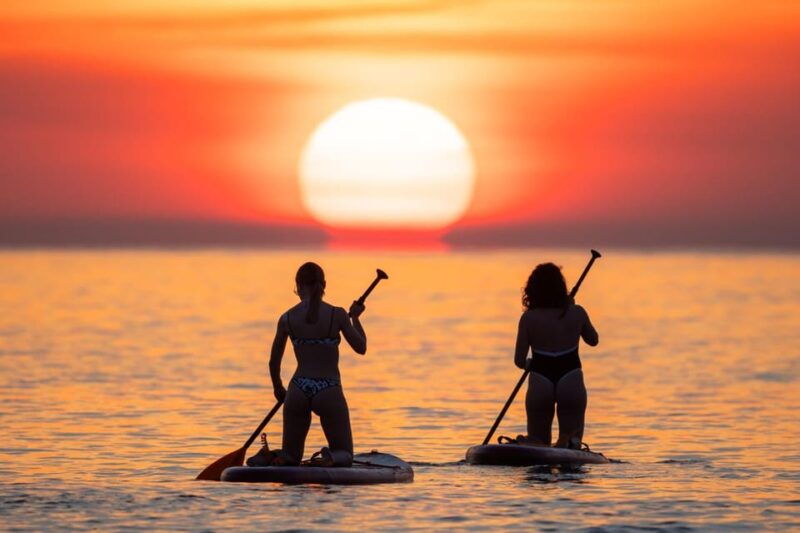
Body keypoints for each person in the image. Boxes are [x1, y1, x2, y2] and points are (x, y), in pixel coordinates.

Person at [248, 262, 367, 467]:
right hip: (328, 388)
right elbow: (361, 347)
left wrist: (278, 387)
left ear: (298, 286)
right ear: (324, 285)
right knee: (345, 454)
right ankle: (330, 456)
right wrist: (355, 317)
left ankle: (270, 455)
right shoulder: (337, 315)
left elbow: (274, 360)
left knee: (291, 456)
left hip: (298, 388)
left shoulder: (287, 318)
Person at [513, 263, 599, 449]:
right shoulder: (577, 313)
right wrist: (574, 311)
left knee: (539, 443)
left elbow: (519, 360)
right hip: (571, 378)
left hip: (540, 379)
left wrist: (530, 363)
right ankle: (568, 444)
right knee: (571, 443)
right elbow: (593, 340)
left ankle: (535, 446)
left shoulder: (528, 318)